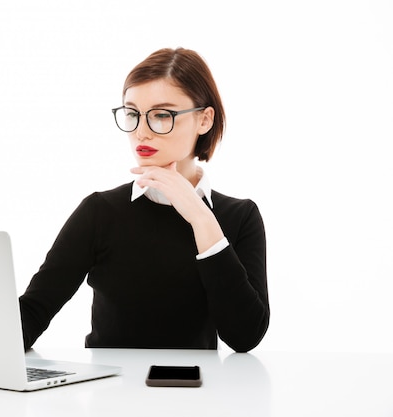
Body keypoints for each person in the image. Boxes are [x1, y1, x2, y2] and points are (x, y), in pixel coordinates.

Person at [19, 47, 269, 353]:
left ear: (204, 120)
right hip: (110, 392)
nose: (141, 132)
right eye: (133, 114)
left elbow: (245, 336)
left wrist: (200, 217)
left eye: (162, 115)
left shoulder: (239, 217)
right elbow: (32, 312)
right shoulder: (100, 212)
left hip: (199, 395)